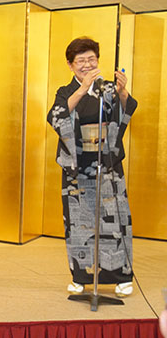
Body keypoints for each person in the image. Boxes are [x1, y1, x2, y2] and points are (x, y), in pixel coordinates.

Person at [47, 37, 137, 297]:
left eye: (91, 59)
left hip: (106, 164)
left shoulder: (107, 88)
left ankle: (120, 275)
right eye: (81, 61)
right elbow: (56, 116)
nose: (87, 65)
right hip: (78, 167)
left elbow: (124, 113)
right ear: (70, 64)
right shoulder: (65, 91)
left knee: (115, 221)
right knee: (78, 224)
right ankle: (80, 277)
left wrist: (121, 93)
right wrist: (83, 88)